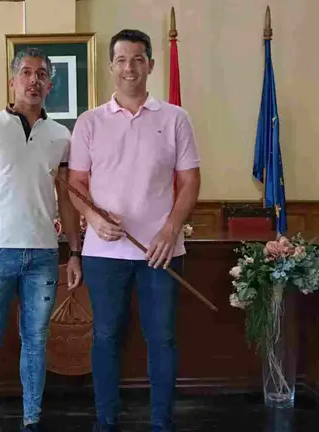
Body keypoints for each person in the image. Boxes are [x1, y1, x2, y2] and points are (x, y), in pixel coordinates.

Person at [67, 29, 201, 432]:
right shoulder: (89, 123)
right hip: (104, 255)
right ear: (111, 67)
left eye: (138, 59)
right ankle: (105, 421)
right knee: (106, 336)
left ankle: (162, 422)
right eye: (122, 60)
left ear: (151, 65)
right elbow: (76, 186)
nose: (130, 68)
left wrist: (170, 229)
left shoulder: (176, 117)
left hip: (160, 252)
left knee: (162, 338)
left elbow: (190, 181)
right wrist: (93, 218)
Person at [0, 47, 83, 432]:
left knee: (36, 343)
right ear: (12, 80)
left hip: (44, 255)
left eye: (42, 74)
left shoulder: (62, 135)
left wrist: (75, 252)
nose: (34, 80)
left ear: (50, 84)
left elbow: (67, 200)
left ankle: (32, 420)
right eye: (26, 72)